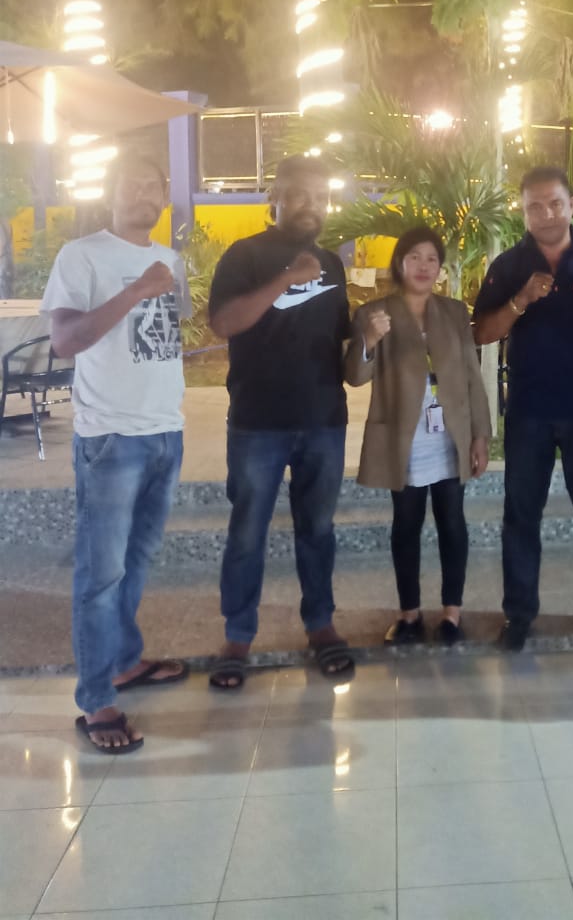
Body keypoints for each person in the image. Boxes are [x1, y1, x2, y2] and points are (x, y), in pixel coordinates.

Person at [42, 154, 191, 754]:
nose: (144, 193)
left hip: (166, 431)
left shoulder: (171, 260)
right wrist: (135, 290)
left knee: (136, 562)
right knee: (100, 574)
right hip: (110, 438)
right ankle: (97, 699)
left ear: (164, 197)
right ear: (110, 193)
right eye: (132, 184)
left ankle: (125, 662)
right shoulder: (81, 255)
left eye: (153, 185)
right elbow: (65, 341)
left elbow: (163, 340)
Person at [473, 167, 573, 652]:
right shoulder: (508, 265)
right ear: (523, 211)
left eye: (554, 204)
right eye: (534, 206)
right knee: (521, 516)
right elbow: (482, 333)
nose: (546, 214)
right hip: (529, 410)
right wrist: (521, 299)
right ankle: (519, 613)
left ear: (571, 206)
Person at [207, 155, 354, 688]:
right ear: (276, 197)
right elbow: (224, 323)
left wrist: (371, 339)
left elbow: (338, 340)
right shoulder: (244, 255)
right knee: (247, 533)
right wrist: (287, 278)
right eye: (300, 194)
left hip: (323, 420)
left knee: (318, 530)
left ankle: (320, 625)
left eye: (321, 196)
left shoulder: (333, 263)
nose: (312, 205)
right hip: (257, 422)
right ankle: (238, 637)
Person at [345, 227, 491, 645]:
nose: (424, 266)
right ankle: (409, 615)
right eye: (415, 257)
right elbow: (354, 375)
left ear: (439, 267)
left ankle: (451, 614)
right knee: (406, 524)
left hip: (450, 434)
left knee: (452, 522)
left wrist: (480, 435)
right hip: (404, 436)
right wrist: (370, 339)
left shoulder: (454, 312)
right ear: (399, 263)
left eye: (431, 259)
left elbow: (471, 376)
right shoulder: (374, 313)